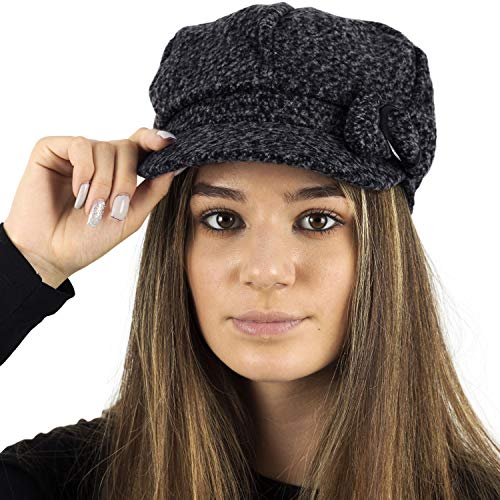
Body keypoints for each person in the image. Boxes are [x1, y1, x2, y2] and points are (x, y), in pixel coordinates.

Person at [1, 3, 500, 500]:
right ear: (177, 244)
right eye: (223, 219)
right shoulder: (66, 483)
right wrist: (27, 259)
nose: (265, 270)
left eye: (317, 220)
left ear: (383, 249)